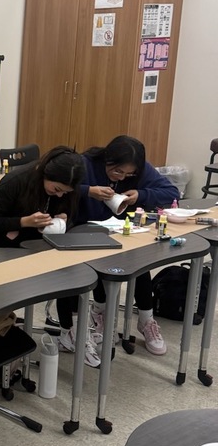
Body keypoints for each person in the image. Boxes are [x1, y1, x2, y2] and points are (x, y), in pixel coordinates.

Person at [0, 145, 101, 366]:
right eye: (56, 189)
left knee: (74, 272)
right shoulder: (16, 181)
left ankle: (73, 332)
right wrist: (23, 221)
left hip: (44, 245)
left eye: (64, 192)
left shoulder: (66, 189)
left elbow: (72, 216)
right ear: (45, 174)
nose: (59, 194)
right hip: (9, 250)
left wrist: (65, 218)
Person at [77, 135, 179, 356]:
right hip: (85, 230)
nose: (121, 177)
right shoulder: (86, 163)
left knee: (138, 263)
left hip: (121, 229)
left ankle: (146, 320)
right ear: (108, 158)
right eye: (117, 171)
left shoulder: (140, 170)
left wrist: (140, 195)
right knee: (99, 265)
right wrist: (89, 191)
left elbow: (172, 193)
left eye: (128, 175)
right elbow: (62, 186)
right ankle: (100, 312)